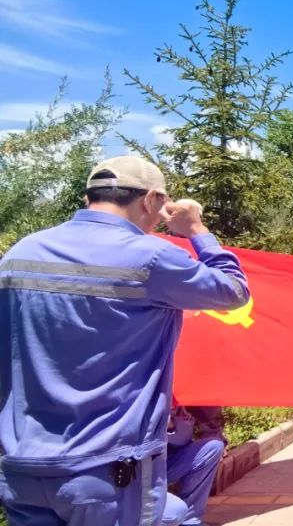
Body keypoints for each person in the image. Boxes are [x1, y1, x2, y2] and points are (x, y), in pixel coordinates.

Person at [0, 156, 250, 525]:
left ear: (89, 197)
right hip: (108, 469)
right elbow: (233, 291)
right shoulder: (151, 257)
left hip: (22, 468)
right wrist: (196, 229)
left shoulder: (21, 254)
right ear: (150, 200)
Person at [161, 404, 226, 526]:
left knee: (214, 447)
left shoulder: (178, 399)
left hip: (166, 463)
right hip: (138, 471)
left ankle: (190, 521)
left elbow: (183, 440)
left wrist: (173, 426)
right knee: (174, 511)